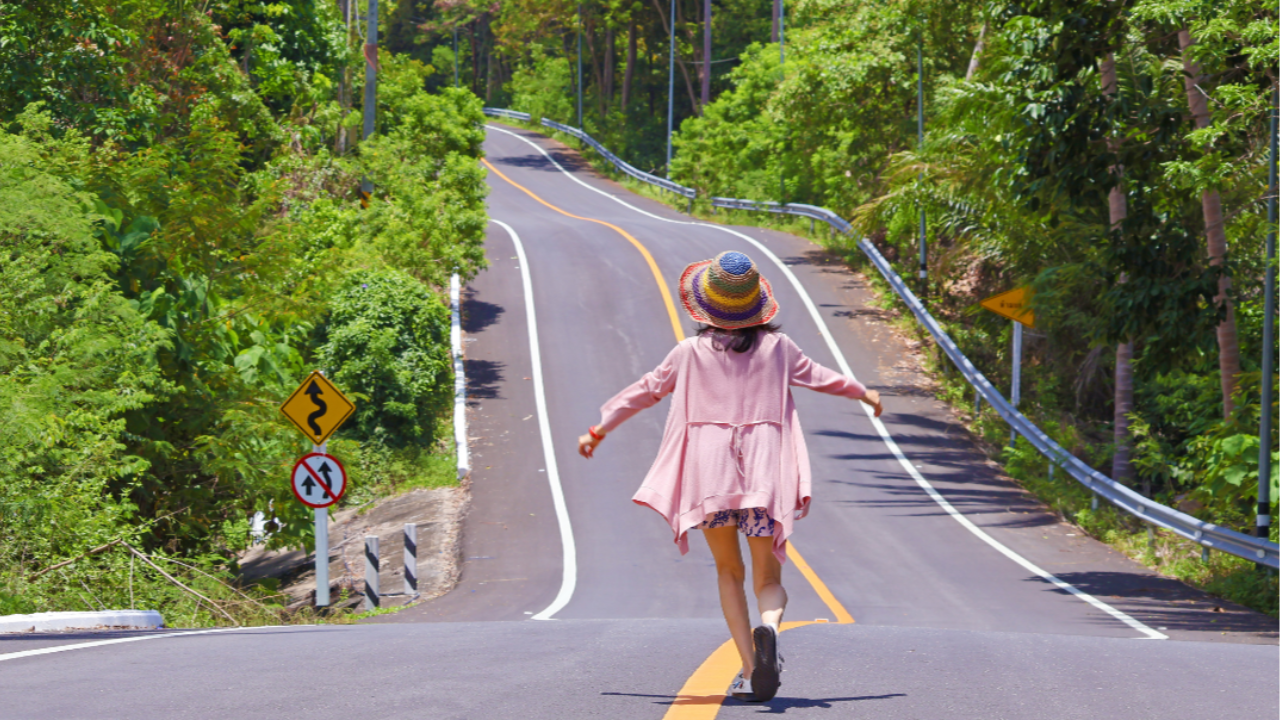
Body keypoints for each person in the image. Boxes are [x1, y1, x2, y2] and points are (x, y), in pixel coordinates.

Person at [577, 250, 882, 702]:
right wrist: (864, 392)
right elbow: (821, 377)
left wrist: (598, 429)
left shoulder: (687, 353)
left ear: (706, 306)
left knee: (728, 571)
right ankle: (769, 627)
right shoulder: (779, 349)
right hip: (764, 479)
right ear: (756, 305)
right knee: (769, 579)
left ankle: (747, 668)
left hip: (708, 479)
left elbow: (646, 391)